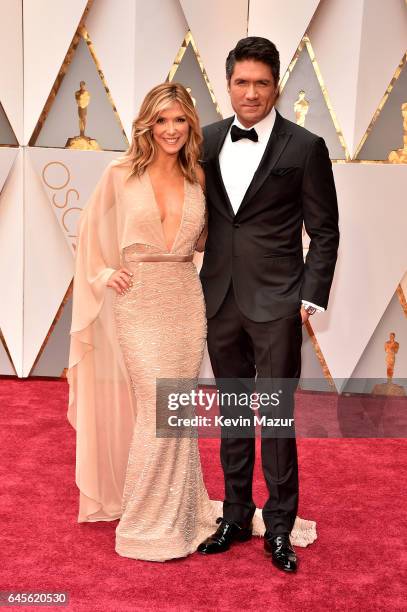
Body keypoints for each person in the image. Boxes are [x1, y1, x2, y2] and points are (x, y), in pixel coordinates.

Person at [67, 81, 317, 563]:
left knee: (174, 411)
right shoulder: (120, 172)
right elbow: (88, 234)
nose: (171, 129)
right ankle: (146, 522)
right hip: (139, 300)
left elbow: (217, 239)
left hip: (185, 300)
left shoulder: (199, 177)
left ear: (190, 125)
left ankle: (179, 513)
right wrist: (103, 272)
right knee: (154, 408)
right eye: (161, 120)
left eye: (179, 120)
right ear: (147, 124)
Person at [197, 37, 339, 572]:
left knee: (276, 418)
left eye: (261, 83)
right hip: (220, 299)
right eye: (241, 82)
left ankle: (279, 525)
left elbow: (325, 232)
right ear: (227, 84)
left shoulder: (305, 146)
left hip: (279, 302)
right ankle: (235, 515)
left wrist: (309, 298)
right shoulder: (206, 141)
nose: (250, 93)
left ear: (276, 85)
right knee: (233, 412)